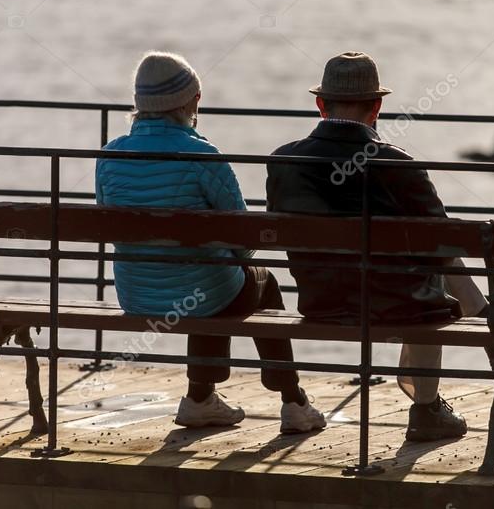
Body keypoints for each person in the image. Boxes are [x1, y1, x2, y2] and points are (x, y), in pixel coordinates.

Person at [266, 51, 493, 442]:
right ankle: (427, 406)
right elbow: (445, 238)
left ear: (320, 105)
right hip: (395, 308)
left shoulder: (283, 161)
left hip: (321, 303)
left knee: (427, 259)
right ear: (377, 108)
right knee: (433, 267)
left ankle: (472, 326)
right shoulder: (395, 163)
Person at [96, 51, 325, 434]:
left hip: (136, 295)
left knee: (207, 280)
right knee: (248, 281)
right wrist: (235, 258)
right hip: (199, 293)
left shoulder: (110, 156)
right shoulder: (203, 156)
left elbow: (109, 222)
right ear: (192, 102)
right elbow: (242, 236)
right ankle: (293, 401)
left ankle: (201, 399)